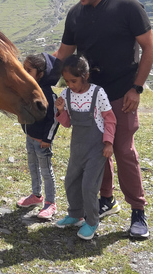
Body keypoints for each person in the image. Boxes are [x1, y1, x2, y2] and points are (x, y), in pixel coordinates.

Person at [53, 0, 153, 239]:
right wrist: (35, 72)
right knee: (97, 149)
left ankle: (138, 210)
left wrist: (137, 88)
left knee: (122, 149)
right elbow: (63, 54)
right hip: (90, 96)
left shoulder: (128, 7)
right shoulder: (76, 13)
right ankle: (106, 199)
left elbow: (149, 48)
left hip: (122, 93)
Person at [54, 55, 117, 240]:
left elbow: (110, 119)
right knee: (71, 181)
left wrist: (108, 142)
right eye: (66, 81)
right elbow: (66, 124)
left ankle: (92, 221)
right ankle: (75, 214)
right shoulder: (65, 95)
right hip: (77, 147)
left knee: (89, 186)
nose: (70, 85)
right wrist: (60, 111)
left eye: (73, 81)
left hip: (97, 149)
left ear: (85, 76)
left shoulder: (98, 93)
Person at [17, 53, 61, 219]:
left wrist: (47, 140)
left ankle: (50, 203)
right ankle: (36, 196)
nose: (24, 72)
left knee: (46, 171)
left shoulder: (48, 95)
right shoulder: (27, 91)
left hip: (42, 143)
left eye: (28, 70)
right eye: (23, 69)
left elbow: (54, 119)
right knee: (33, 167)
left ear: (40, 74)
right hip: (30, 138)